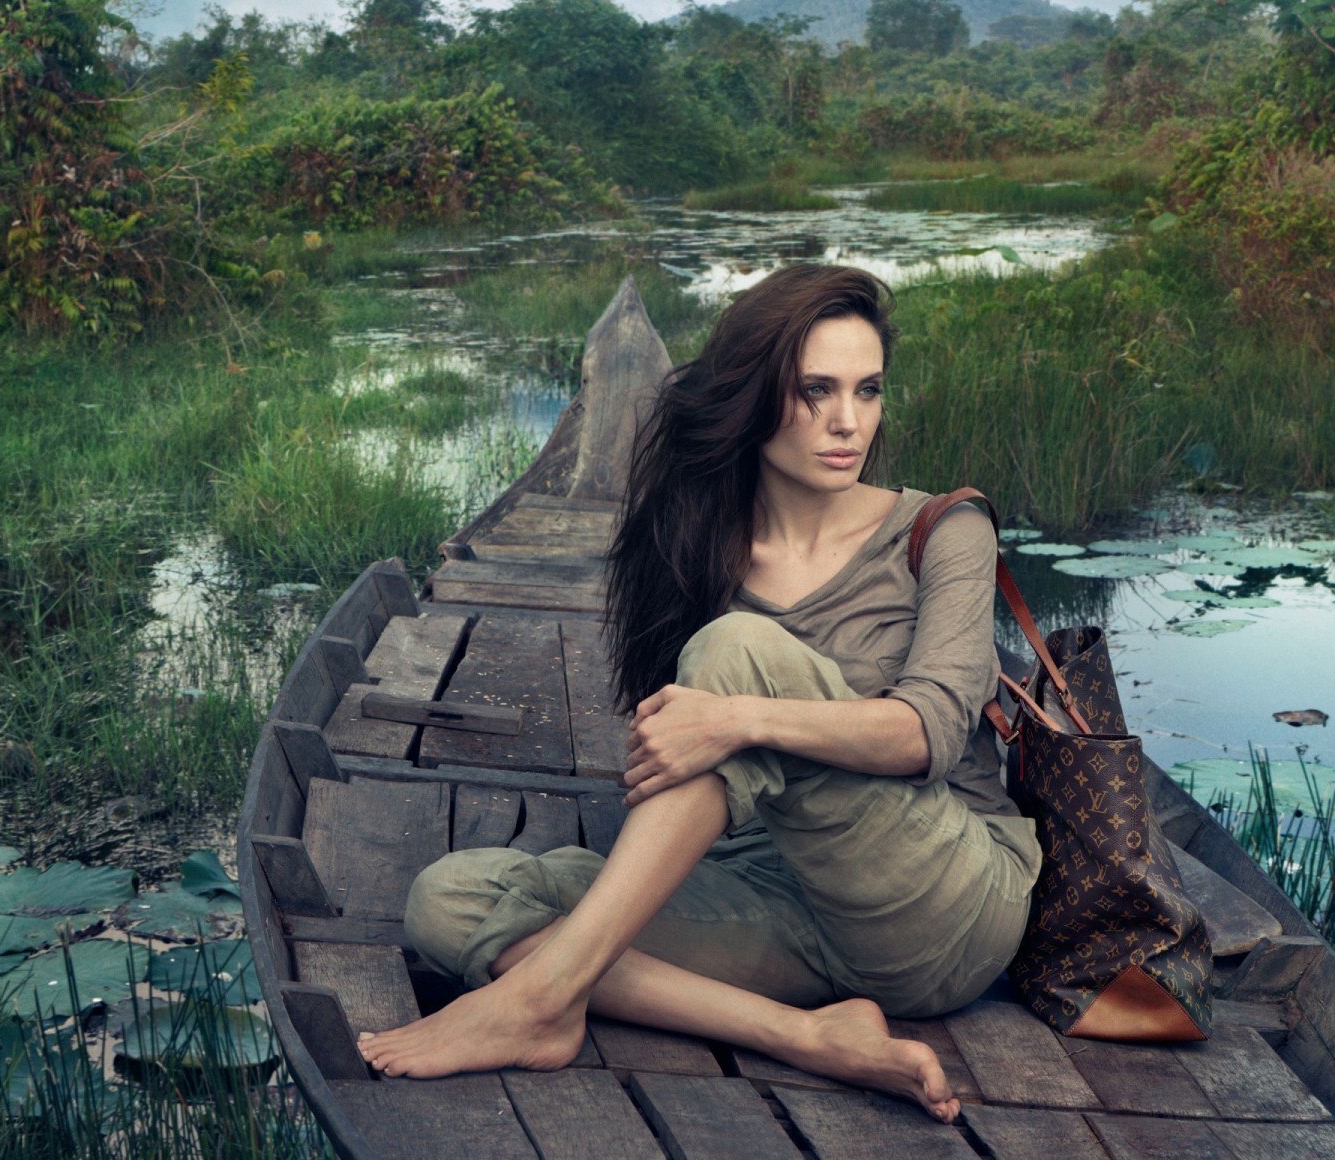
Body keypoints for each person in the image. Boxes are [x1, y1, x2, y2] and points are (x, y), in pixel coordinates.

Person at [355, 264, 1042, 1122]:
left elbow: (930, 733)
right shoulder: (701, 551)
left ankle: (539, 1001)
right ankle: (808, 1037)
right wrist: (709, 743)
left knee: (736, 652)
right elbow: (673, 756)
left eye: (868, 390)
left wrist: (740, 716)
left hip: (943, 902)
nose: (849, 421)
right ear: (754, 397)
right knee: (450, 899)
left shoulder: (943, 529)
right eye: (816, 390)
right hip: (781, 904)